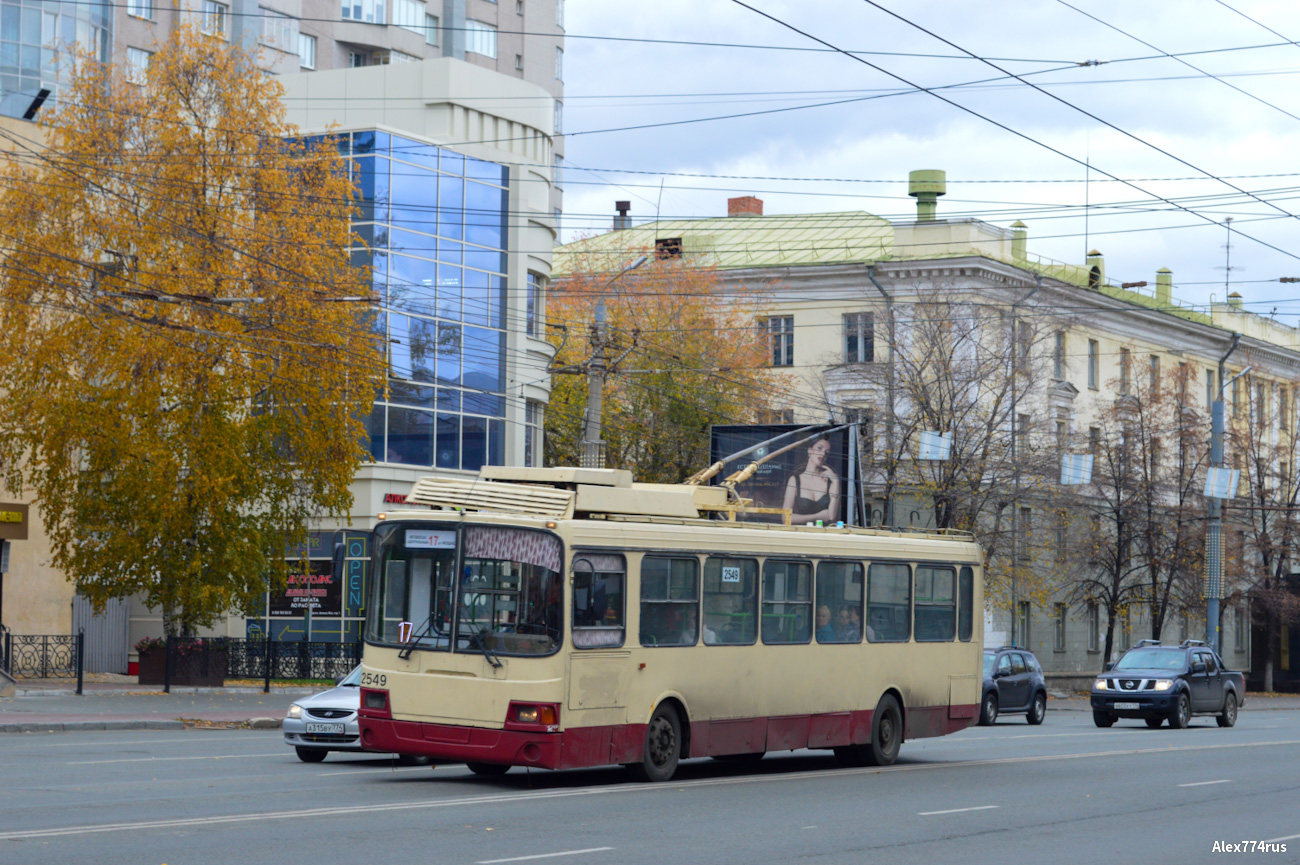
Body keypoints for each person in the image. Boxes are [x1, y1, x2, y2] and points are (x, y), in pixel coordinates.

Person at [782, 437, 841, 526]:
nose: (823, 453)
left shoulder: (831, 481)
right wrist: (818, 516)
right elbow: (785, 518)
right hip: (802, 533)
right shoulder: (795, 480)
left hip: (825, 533)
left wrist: (836, 482)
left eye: (827, 452)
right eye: (819, 448)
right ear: (809, 450)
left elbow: (832, 517)